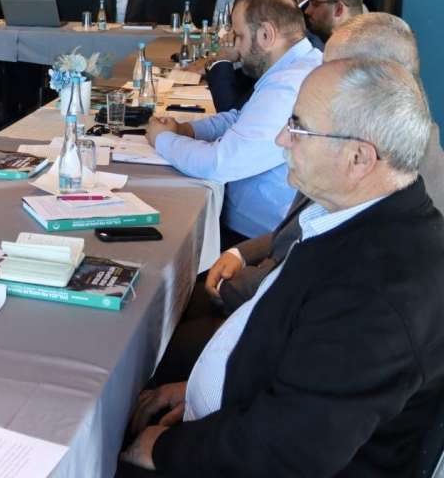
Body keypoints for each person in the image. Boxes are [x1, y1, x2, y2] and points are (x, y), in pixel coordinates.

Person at [121, 58, 444, 477]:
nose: (281, 139)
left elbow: (290, 450)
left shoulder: (380, 288)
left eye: (298, 127)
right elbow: (303, 364)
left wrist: (165, 449)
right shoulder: (360, 220)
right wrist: (209, 390)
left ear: (359, 158)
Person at [152, 11, 444, 386]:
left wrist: (204, 395)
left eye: (331, 67)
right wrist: (241, 253)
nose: (316, 75)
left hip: (278, 326)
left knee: (157, 332)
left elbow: (311, 313)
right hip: (267, 287)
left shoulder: (400, 182)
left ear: (382, 79)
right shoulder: (348, 140)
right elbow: (301, 226)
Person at [146, 0, 322, 244]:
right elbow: (241, 118)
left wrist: (162, 139)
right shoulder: (296, 66)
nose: (236, 48)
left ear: (266, 34)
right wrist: (187, 130)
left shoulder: (288, 86)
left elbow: (218, 164)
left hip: (255, 235)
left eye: (239, 36)